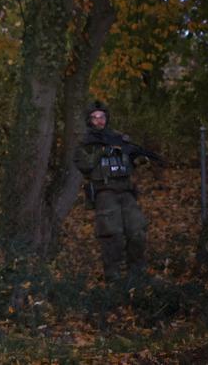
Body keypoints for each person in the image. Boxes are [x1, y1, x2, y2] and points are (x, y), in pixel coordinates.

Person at [74, 101, 151, 284]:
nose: (99, 121)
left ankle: (137, 276)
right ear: (89, 120)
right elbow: (84, 165)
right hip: (104, 192)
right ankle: (114, 279)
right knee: (112, 235)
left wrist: (139, 159)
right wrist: (102, 152)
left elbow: (132, 159)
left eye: (102, 117)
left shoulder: (120, 138)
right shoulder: (85, 143)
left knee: (137, 231)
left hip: (126, 191)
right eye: (95, 117)